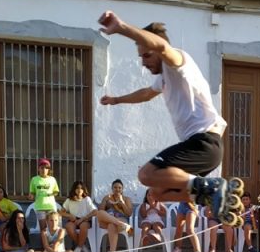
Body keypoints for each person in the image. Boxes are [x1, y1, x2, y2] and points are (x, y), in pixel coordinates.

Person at [98, 12, 236, 221]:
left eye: (146, 55)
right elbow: (146, 93)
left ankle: (213, 187)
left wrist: (122, 28)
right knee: (157, 193)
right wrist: (117, 100)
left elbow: (162, 48)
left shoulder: (178, 62)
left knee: (145, 174)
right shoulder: (164, 77)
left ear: (157, 48)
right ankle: (209, 195)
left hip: (204, 142)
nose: (143, 63)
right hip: (201, 147)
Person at [97, 179, 135, 252]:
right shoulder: (108, 198)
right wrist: (104, 201)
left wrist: (122, 203)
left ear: (122, 189)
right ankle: (123, 225)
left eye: (119, 188)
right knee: (99, 213)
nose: (117, 189)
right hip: (111, 221)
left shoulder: (126, 199)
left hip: (121, 219)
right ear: (112, 188)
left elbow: (129, 213)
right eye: (115, 187)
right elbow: (101, 210)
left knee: (111, 225)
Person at [28, 158, 59, 232]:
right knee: (43, 228)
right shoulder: (34, 179)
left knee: (53, 227)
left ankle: (52, 243)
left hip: (51, 207)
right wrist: (31, 196)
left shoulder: (52, 179)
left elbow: (56, 192)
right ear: (38, 169)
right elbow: (32, 192)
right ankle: (44, 243)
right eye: (42, 168)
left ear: (48, 170)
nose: (44, 170)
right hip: (40, 207)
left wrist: (51, 194)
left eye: (46, 168)